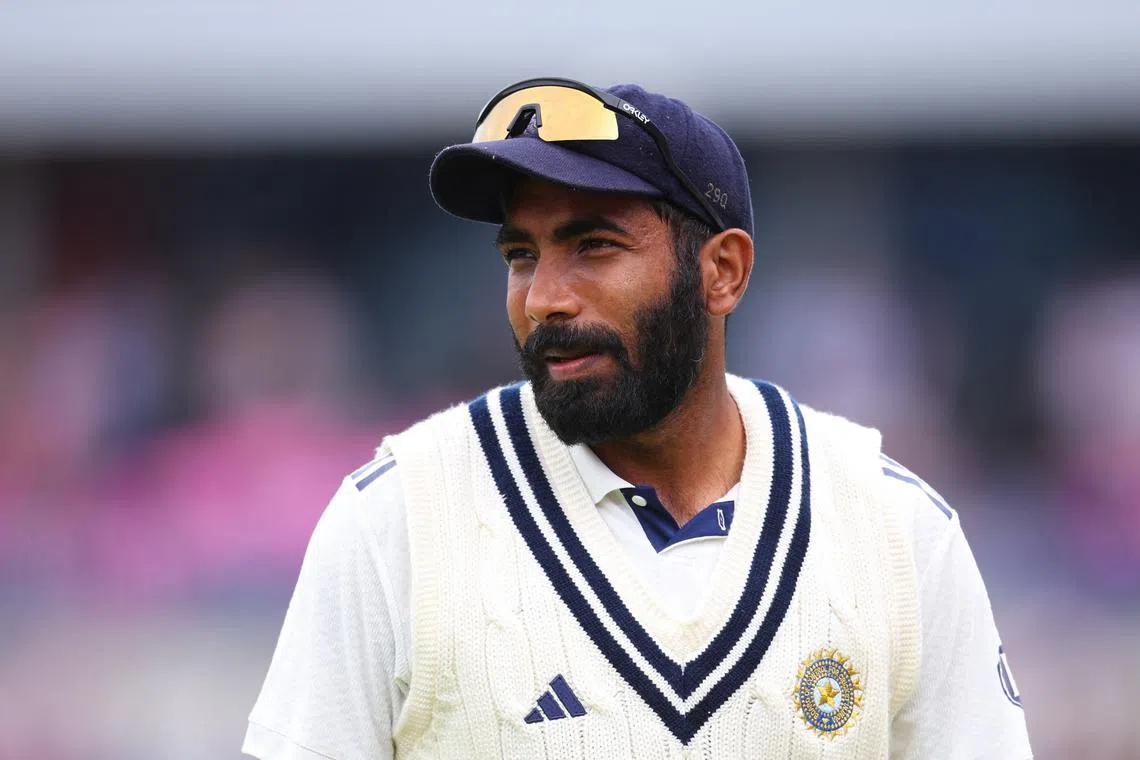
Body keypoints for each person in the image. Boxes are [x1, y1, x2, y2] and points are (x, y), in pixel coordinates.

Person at [243, 78, 1033, 759]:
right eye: (521, 254)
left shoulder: (897, 533)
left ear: (722, 272)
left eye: (594, 245)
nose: (543, 296)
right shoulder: (397, 520)